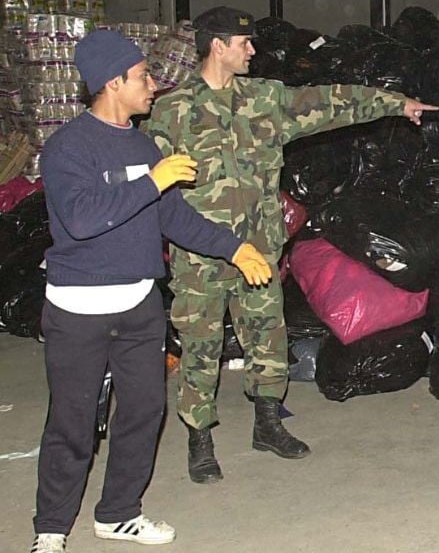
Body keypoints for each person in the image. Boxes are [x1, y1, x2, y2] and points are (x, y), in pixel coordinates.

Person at [144, 6, 436, 484]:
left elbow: (331, 101)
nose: (253, 52)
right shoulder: (172, 112)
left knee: (266, 334)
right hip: (199, 256)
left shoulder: (264, 99)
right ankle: (199, 437)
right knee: (200, 344)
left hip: (257, 248)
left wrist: (395, 103)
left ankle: (267, 421)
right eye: (244, 44)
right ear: (218, 46)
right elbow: (149, 185)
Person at [32, 31, 273, 553]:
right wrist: (152, 180)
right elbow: (80, 219)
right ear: (113, 82)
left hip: (140, 305)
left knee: (143, 413)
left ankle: (119, 513)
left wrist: (234, 248)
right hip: (79, 310)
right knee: (72, 425)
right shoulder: (68, 148)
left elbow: (175, 218)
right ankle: (50, 529)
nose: (153, 84)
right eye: (143, 75)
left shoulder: (143, 145)